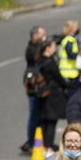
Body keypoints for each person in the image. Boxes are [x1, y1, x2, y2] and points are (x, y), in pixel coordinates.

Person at [36, 37, 72, 152]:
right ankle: (49, 147)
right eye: (54, 46)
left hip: (41, 95)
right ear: (47, 48)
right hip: (52, 96)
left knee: (44, 122)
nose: (56, 48)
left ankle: (44, 146)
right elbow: (59, 79)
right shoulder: (50, 63)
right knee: (51, 122)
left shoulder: (39, 60)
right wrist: (71, 85)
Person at [22, 25, 46, 153]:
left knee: (39, 115)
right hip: (33, 86)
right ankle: (31, 143)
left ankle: (37, 141)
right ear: (35, 35)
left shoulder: (36, 47)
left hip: (38, 85)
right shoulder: (32, 49)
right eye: (42, 35)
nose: (44, 38)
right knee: (34, 115)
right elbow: (38, 59)